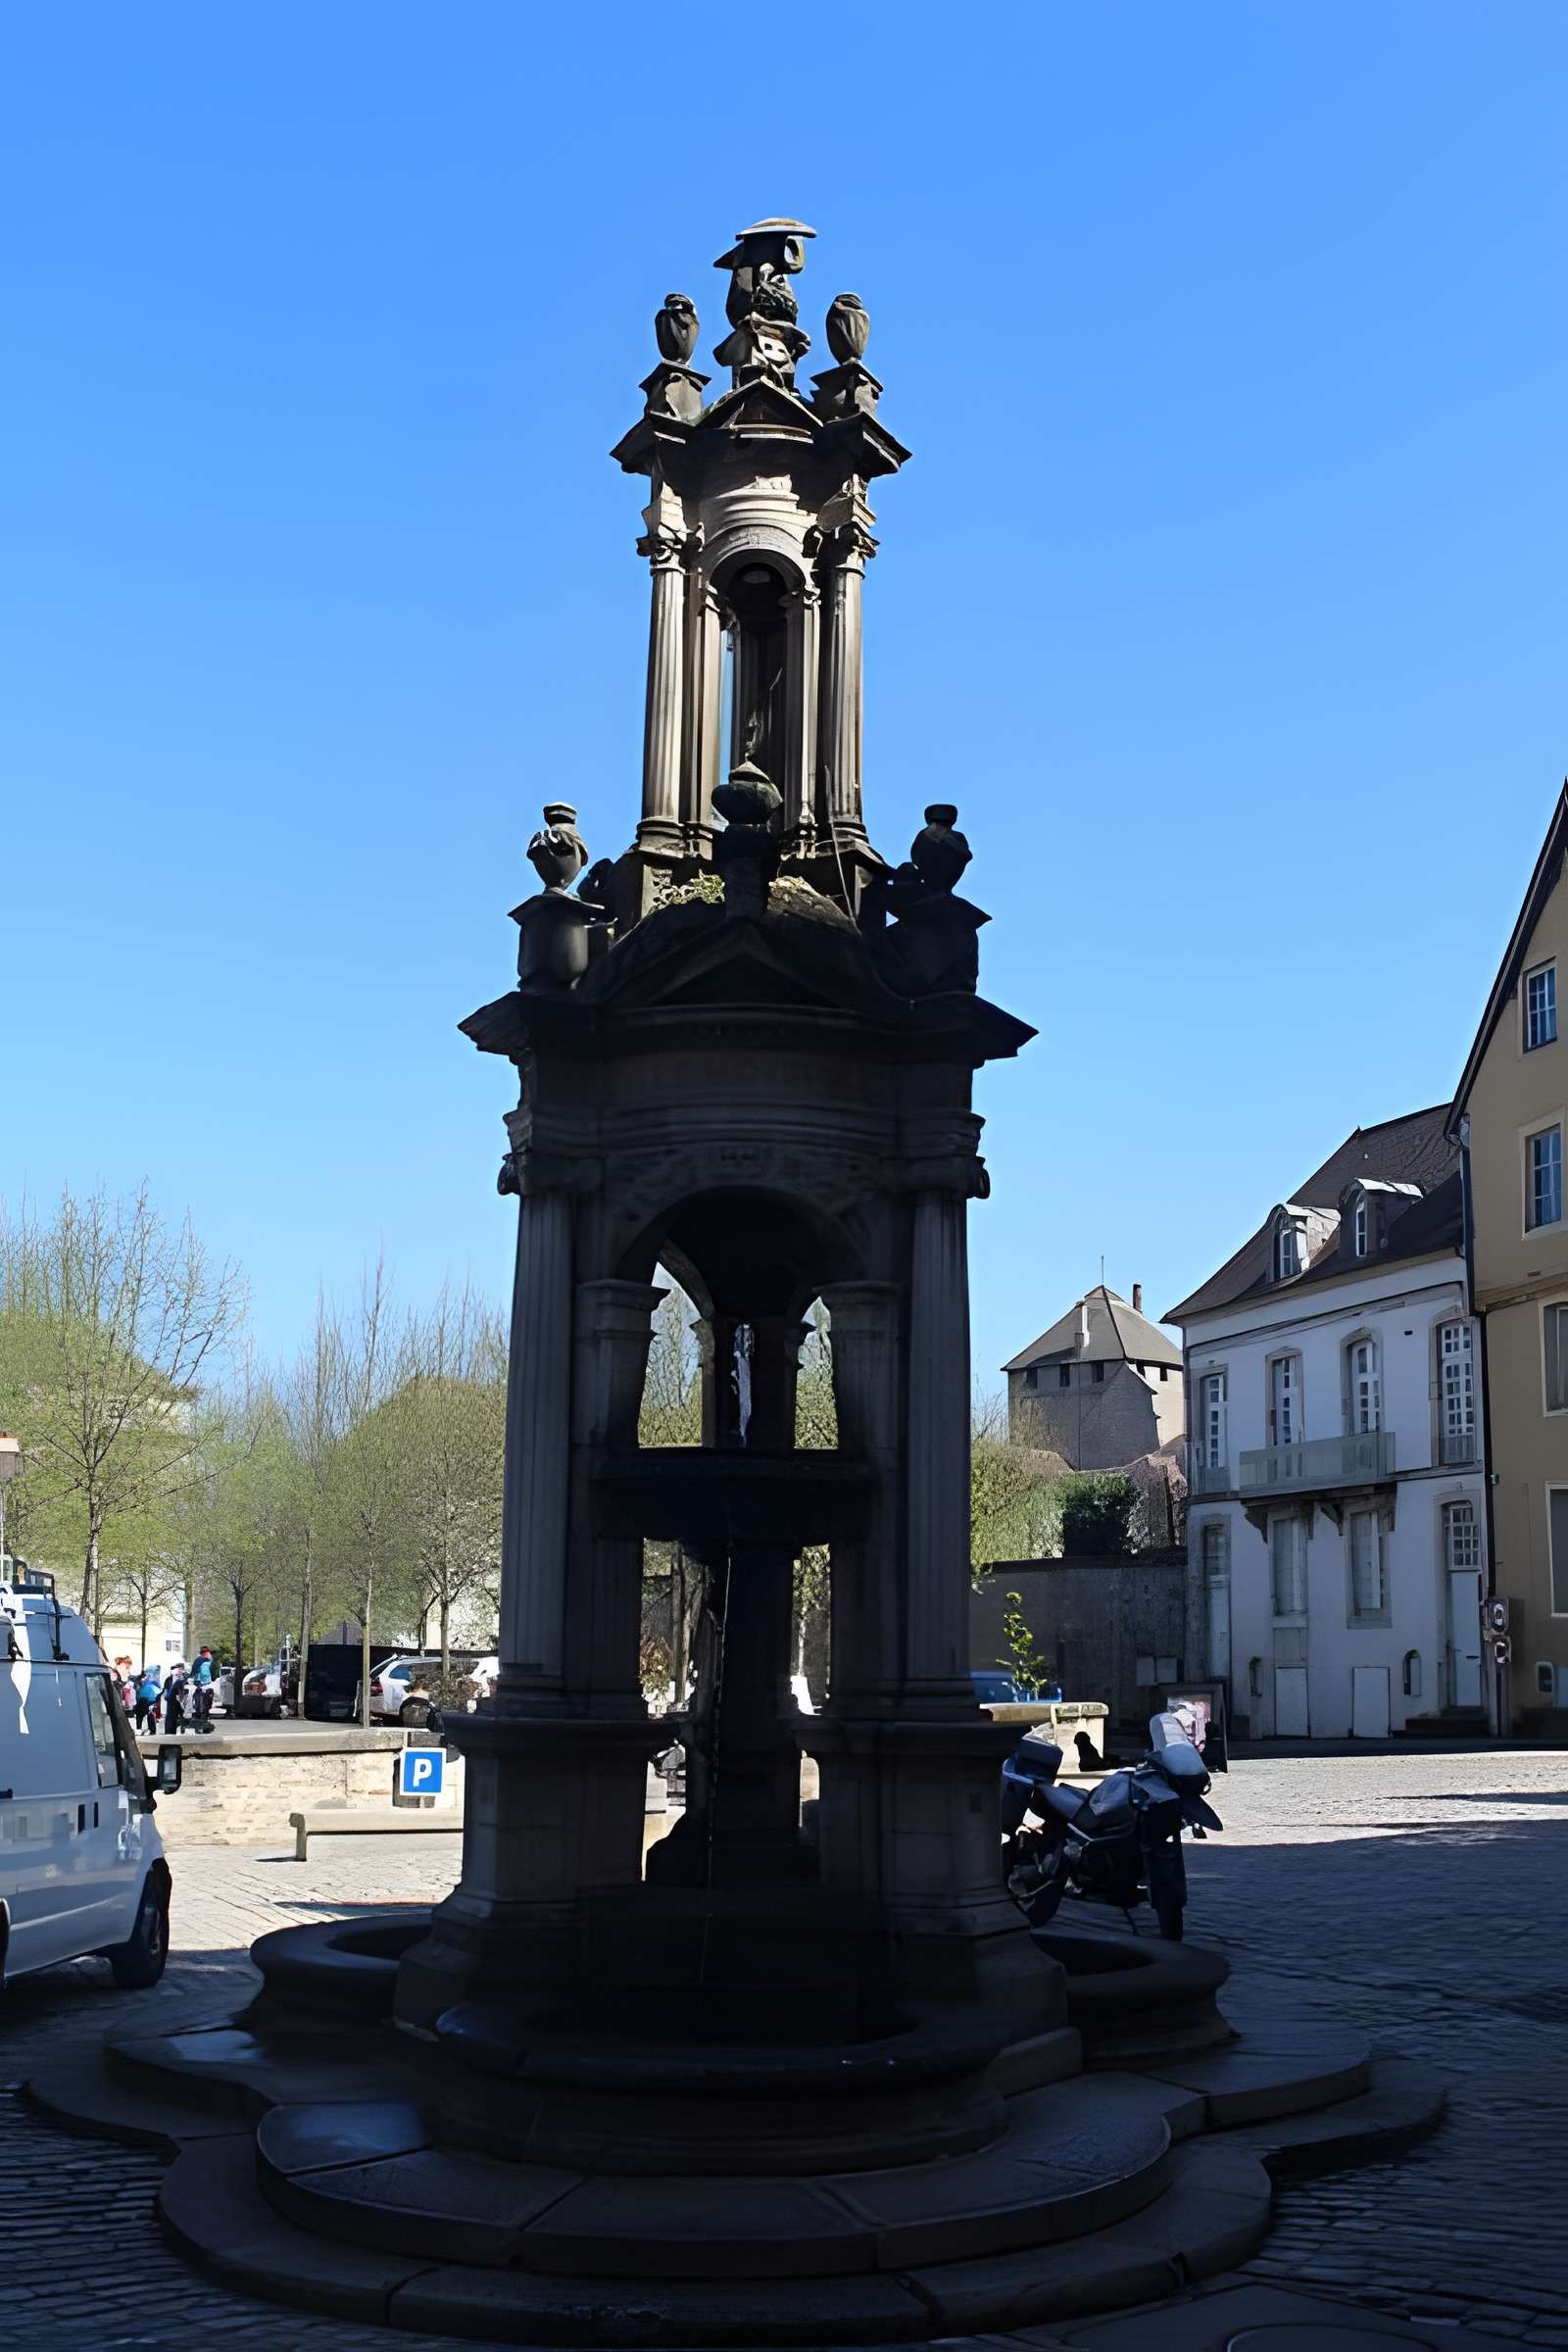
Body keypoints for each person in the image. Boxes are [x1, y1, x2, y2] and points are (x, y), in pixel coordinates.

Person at [192, 1645, 217, 1734]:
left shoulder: (210, 1662)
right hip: (201, 1688)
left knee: (205, 1708)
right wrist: (198, 1685)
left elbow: (213, 1675)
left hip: (207, 1687)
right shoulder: (200, 1662)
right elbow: (196, 1675)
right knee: (201, 1708)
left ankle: (204, 1725)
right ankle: (199, 1725)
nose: (208, 1654)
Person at [164, 1661, 190, 1736]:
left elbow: (186, 1690)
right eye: (178, 1669)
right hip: (171, 1701)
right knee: (170, 1718)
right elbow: (166, 1692)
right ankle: (169, 1732)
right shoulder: (169, 1679)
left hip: (180, 1701)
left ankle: (182, 1728)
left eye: (181, 1669)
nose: (179, 1671)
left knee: (182, 1716)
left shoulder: (185, 1680)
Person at [135, 1663, 163, 1732]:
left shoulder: (145, 1684)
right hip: (147, 1701)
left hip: (143, 1701)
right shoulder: (151, 1685)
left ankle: (140, 1728)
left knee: (142, 1716)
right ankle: (151, 1730)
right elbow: (158, 1692)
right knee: (149, 1714)